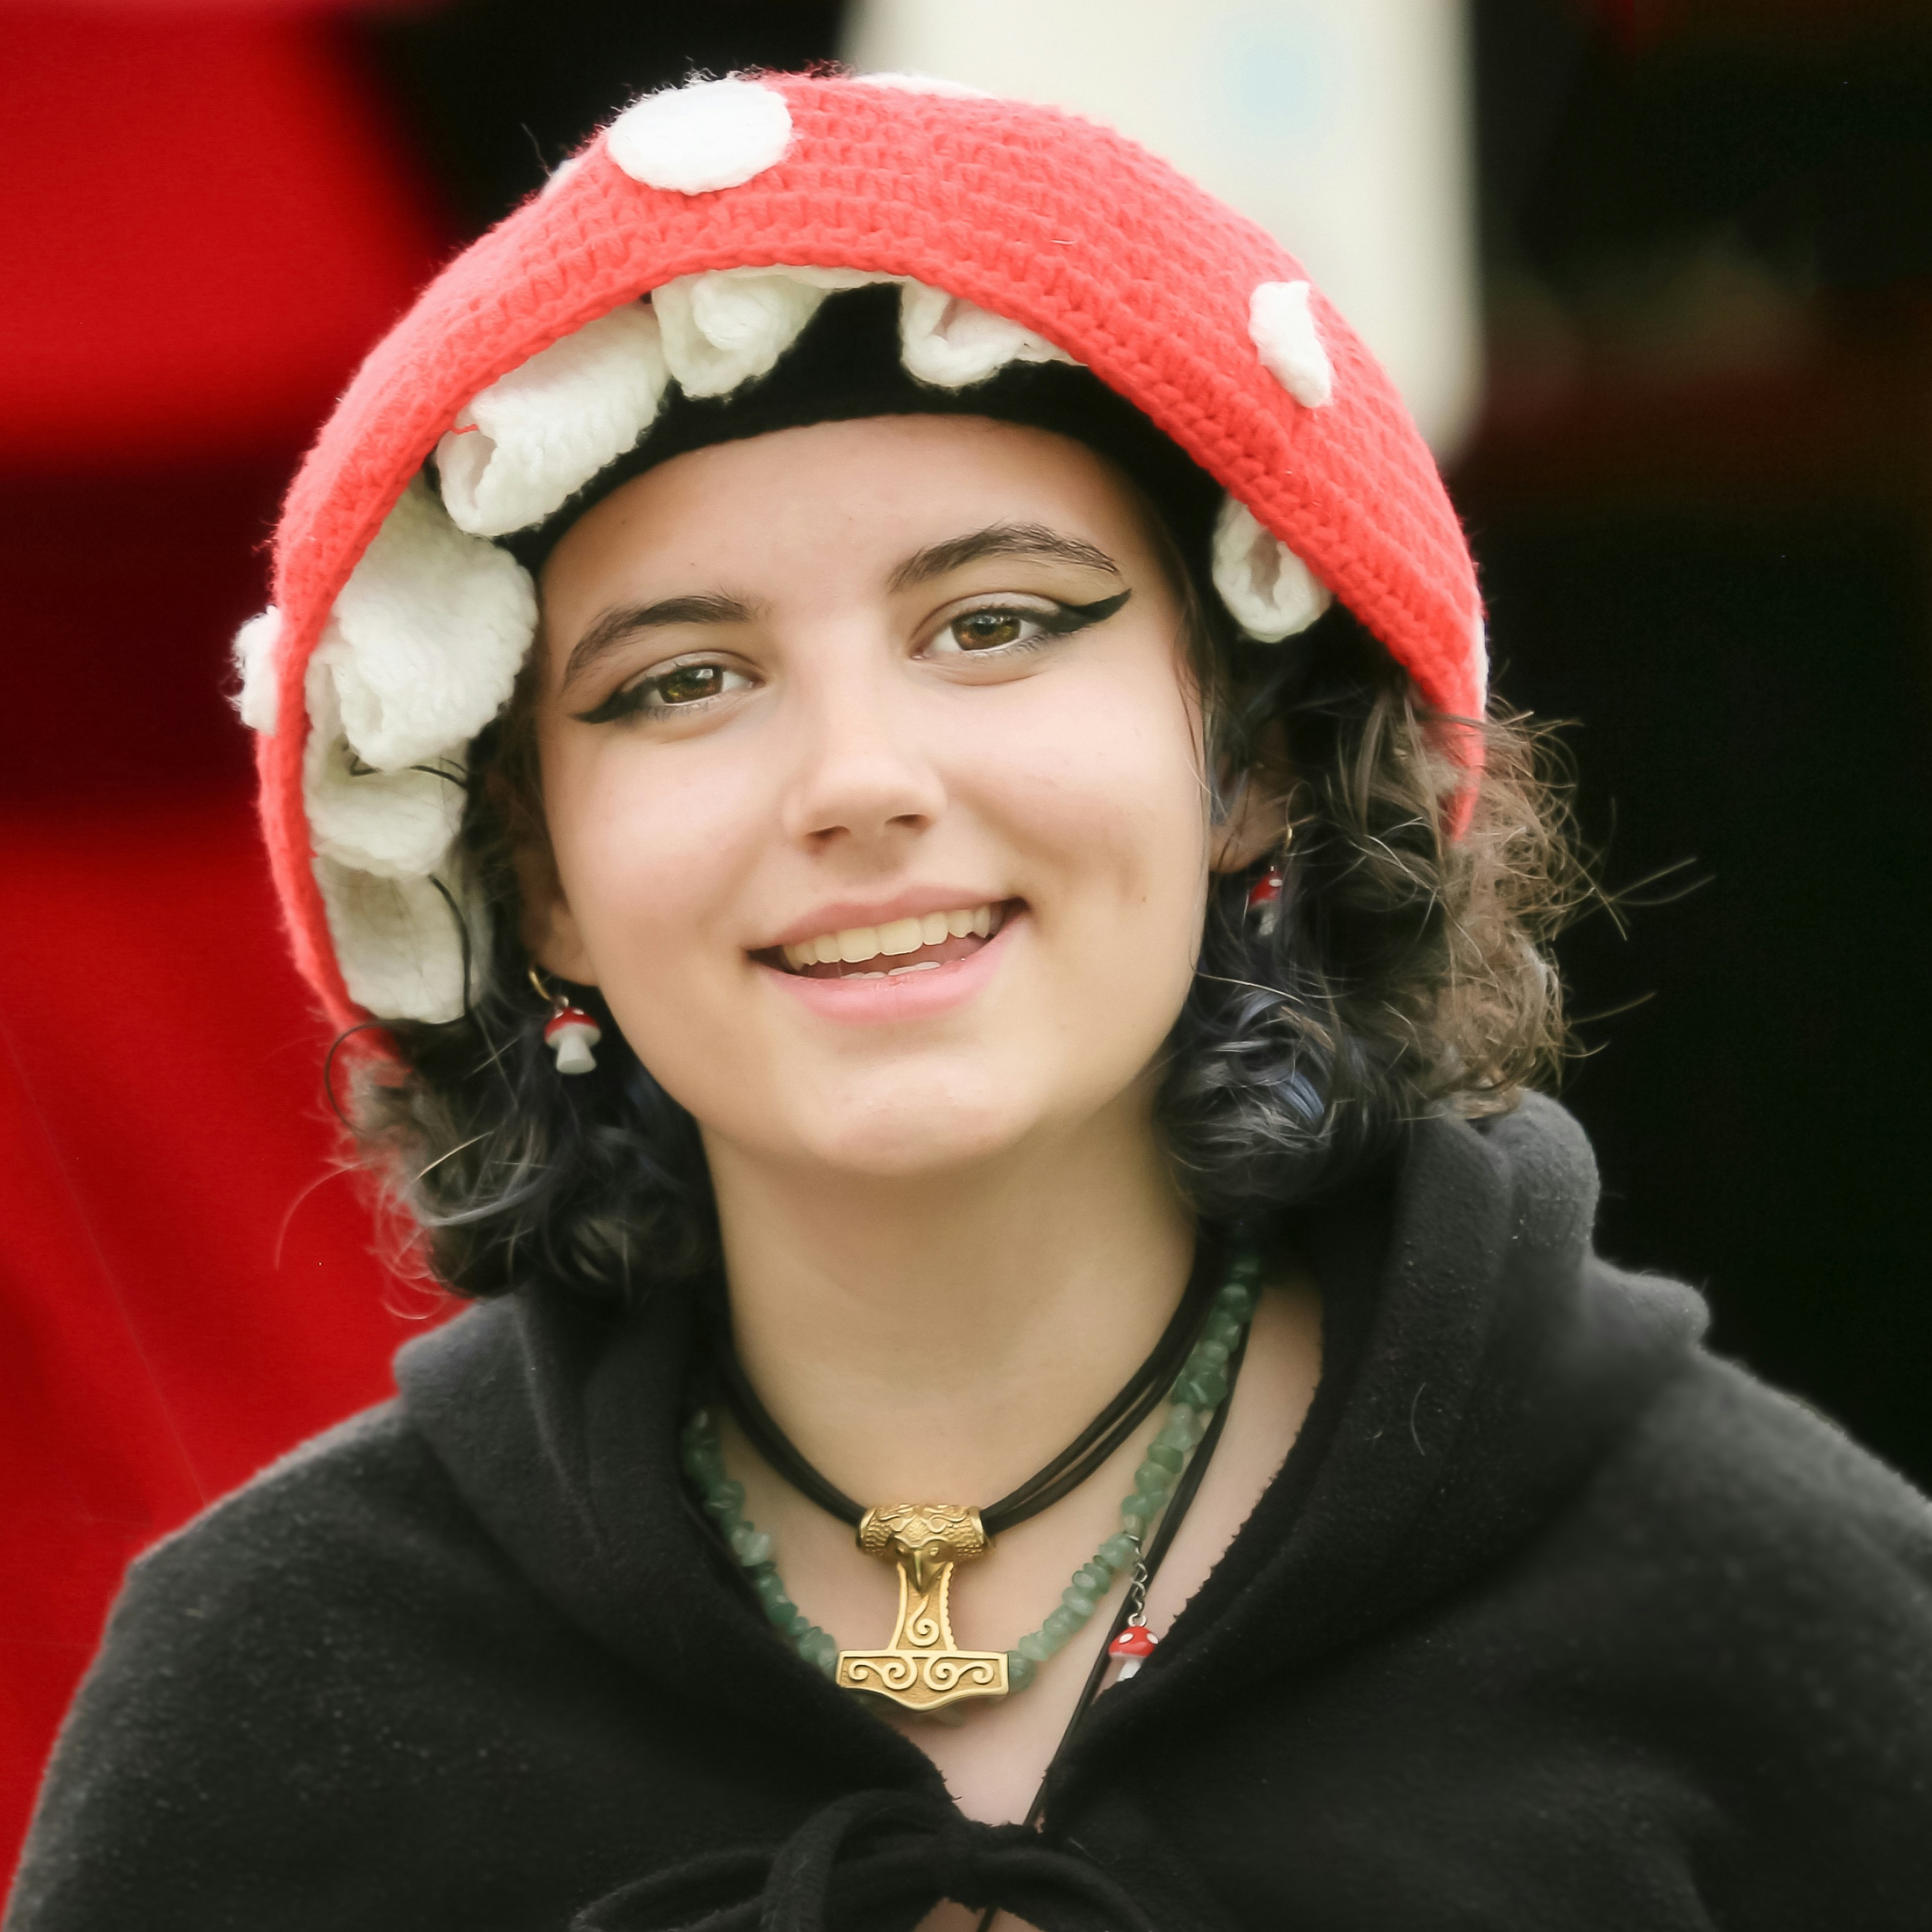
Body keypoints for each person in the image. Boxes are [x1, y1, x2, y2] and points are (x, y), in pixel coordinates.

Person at [8, 72, 1931, 1932]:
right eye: (681, 682)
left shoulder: (1757, 1618)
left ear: (1252, 759)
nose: (857, 781)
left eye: (993, 624)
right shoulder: (268, 1696)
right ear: (539, 879)